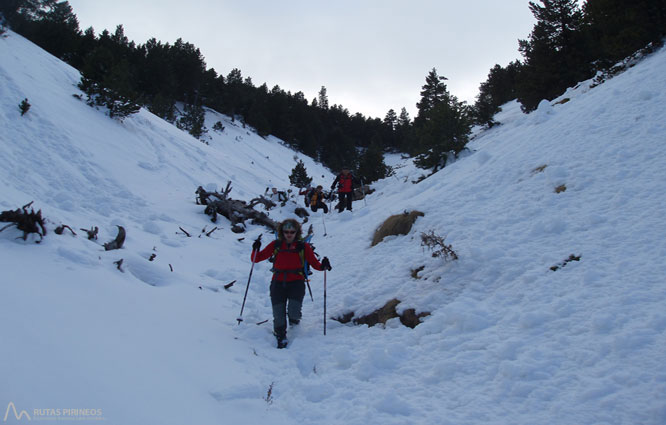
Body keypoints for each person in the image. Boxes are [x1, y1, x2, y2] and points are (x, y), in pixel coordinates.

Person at [251, 219, 332, 348]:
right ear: (282, 232)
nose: (289, 234)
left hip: (297, 282)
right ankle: (280, 335)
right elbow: (256, 258)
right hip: (277, 282)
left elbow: (315, 264)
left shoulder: (303, 247)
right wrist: (255, 249)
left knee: (294, 312)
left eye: (292, 232)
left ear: (297, 232)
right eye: (286, 231)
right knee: (278, 313)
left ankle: (294, 323)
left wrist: (324, 266)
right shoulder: (276, 245)